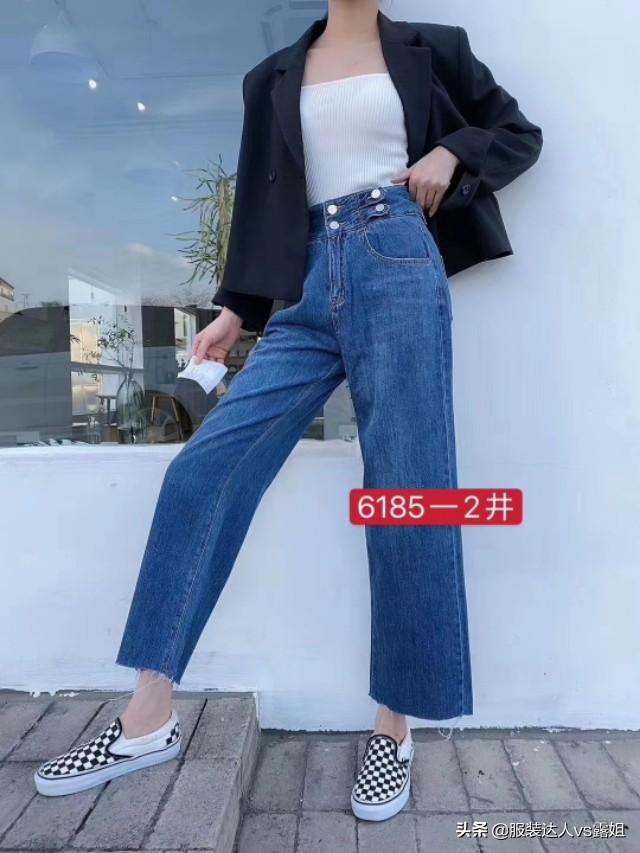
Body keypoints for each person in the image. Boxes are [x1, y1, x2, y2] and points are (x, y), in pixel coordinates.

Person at [34, 0, 542, 822]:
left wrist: (452, 150)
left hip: (396, 256)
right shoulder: (271, 75)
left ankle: (394, 726)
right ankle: (148, 717)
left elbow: (518, 132)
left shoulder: (434, 48)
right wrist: (235, 309)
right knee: (204, 469)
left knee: (407, 490)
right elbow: (261, 203)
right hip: (305, 280)